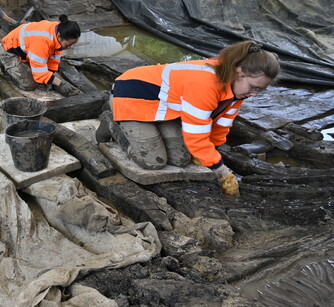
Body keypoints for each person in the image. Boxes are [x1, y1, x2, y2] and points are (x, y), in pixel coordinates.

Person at [99, 41, 280, 196]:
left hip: (163, 107)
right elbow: (196, 134)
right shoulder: (205, 84)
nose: (254, 95)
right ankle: (112, 122)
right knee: (152, 162)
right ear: (239, 72)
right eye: (253, 87)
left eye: (260, 90)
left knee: (181, 159)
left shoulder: (238, 92)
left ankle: (145, 129)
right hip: (132, 96)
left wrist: (211, 153)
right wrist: (221, 170)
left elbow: (220, 127)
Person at [0, 14, 81, 97]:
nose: (69, 47)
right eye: (68, 45)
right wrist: (59, 83)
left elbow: (53, 59)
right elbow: (39, 74)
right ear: (59, 36)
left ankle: (25, 64)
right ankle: (5, 65)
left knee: (45, 76)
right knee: (29, 84)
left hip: (28, 51)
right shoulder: (42, 42)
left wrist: (51, 74)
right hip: (9, 51)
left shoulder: (61, 30)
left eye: (72, 45)